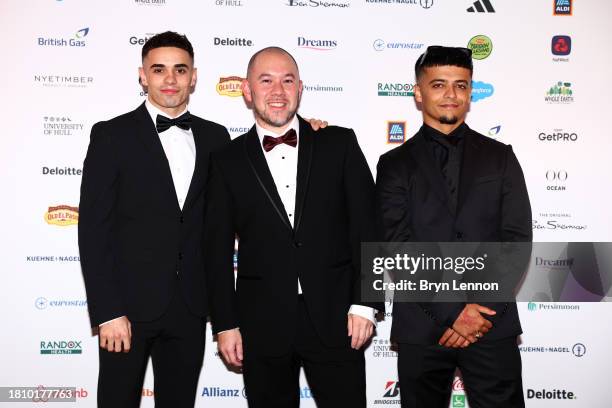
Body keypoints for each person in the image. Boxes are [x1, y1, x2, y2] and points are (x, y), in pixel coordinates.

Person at [204, 47, 384, 408]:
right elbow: (215, 249)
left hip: (338, 319)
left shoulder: (339, 143)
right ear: (247, 89)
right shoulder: (226, 161)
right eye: (265, 80)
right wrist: (225, 324)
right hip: (261, 323)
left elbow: (369, 228)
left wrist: (366, 304)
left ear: (300, 88)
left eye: (287, 81)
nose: (277, 91)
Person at [78, 31, 231, 407]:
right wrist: (108, 310)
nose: (170, 79)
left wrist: (309, 130)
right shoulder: (111, 135)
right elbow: (94, 230)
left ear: (194, 76)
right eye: (159, 69)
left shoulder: (217, 138)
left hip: (192, 307)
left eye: (180, 70)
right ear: (143, 75)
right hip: (126, 309)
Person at [376, 46, 532, 408]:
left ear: (470, 92)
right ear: (418, 92)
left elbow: (516, 239)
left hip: (490, 322)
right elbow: (396, 245)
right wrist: (453, 311)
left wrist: (476, 308)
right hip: (423, 322)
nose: (451, 94)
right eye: (439, 84)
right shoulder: (394, 164)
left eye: (461, 86)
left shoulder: (501, 156)